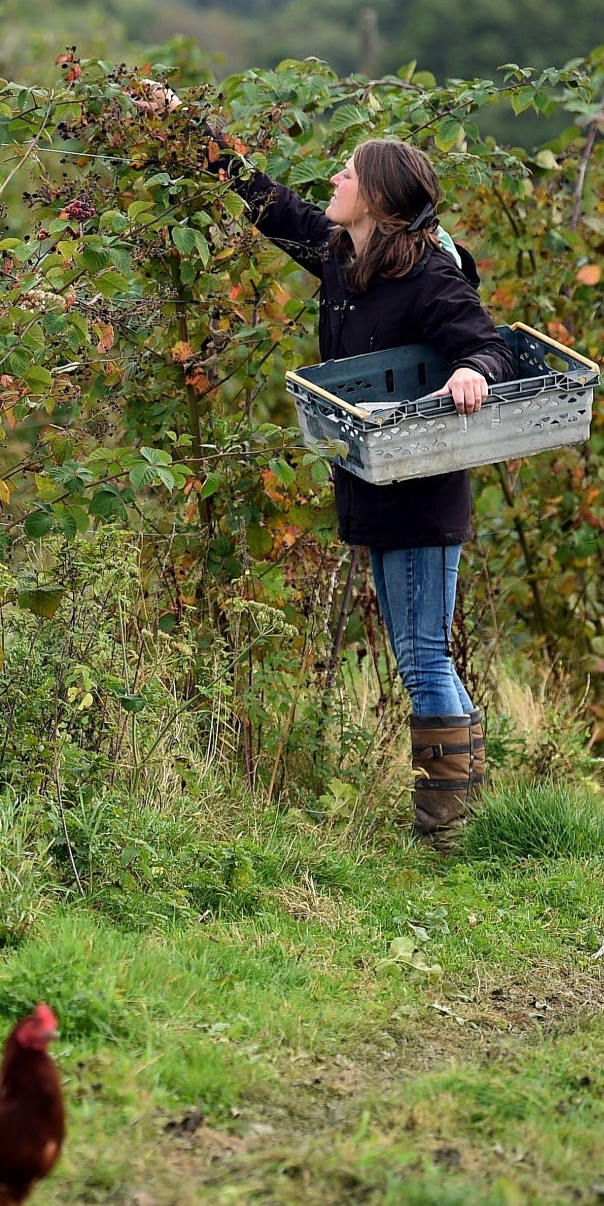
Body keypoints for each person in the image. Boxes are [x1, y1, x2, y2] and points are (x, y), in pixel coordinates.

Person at [223, 136, 517, 843]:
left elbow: (490, 343)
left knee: (421, 658)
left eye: (346, 173)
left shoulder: (430, 281)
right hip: (375, 485)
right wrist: (195, 139)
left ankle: (447, 830)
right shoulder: (343, 257)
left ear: (378, 199)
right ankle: (469, 815)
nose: (333, 178)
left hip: (421, 488)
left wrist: (473, 372)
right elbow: (272, 205)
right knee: (423, 654)